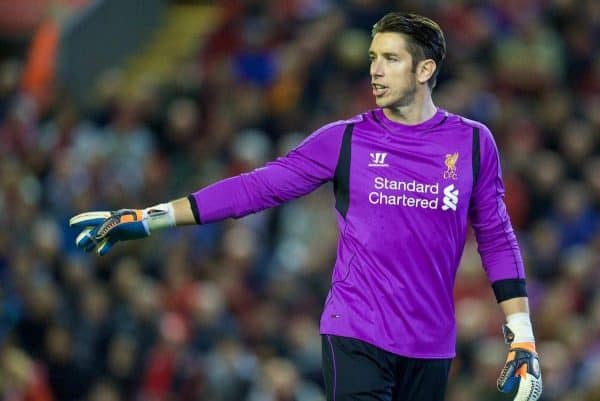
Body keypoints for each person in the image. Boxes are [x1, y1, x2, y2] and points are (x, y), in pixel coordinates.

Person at [70, 12, 542, 401]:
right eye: (374, 58)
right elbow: (255, 189)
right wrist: (150, 218)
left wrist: (520, 332)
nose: (375, 70)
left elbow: (497, 238)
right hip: (357, 332)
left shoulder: (473, 143)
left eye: (391, 60)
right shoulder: (346, 139)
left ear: (425, 71)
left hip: (432, 345)